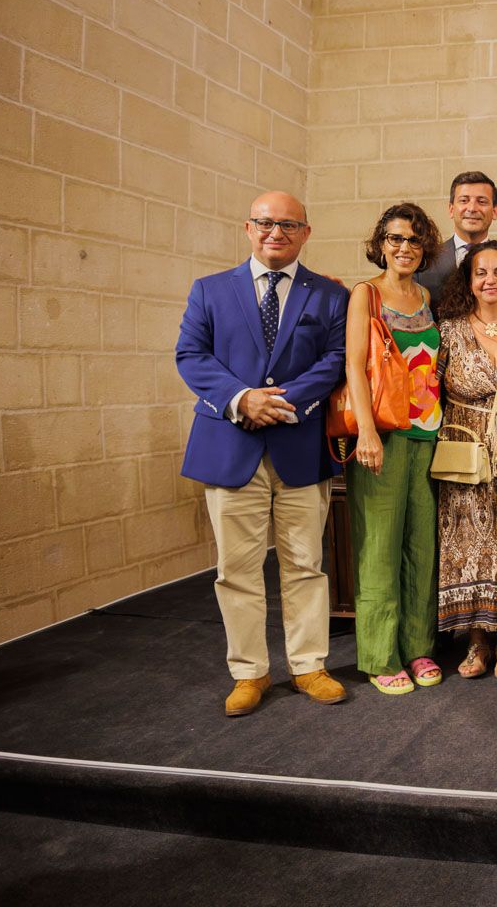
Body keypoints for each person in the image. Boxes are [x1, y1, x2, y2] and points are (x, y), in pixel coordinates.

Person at [175, 191, 348, 716]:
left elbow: (336, 358)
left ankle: (308, 665)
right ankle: (249, 673)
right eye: (266, 223)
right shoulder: (209, 290)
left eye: (289, 224)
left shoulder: (329, 295)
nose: (277, 232)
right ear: (248, 227)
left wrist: (279, 401)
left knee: (305, 564)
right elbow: (190, 355)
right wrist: (241, 399)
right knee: (237, 569)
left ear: (306, 233)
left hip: (298, 445)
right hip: (231, 446)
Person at [343, 203, 445, 695]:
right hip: (382, 437)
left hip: (427, 436)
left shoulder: (426, 295)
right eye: (396, 239)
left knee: (421, 548)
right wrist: (364, 431)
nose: (404, 248)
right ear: (381, 243)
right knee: (379, 547)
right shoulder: (366, 294)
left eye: (414, 241)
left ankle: (418, 645)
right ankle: (381, 654)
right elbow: (355, 366)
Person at [433, 240, 497, 679]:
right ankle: (475, 642)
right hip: (464, 453)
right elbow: (426, 393)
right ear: (469, 281)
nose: (490, 280)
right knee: (467, 545)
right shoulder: (449, 330)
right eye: (481, 273)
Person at [415, 171, 497, 302]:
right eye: (464, 200)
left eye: (481, 202)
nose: (472, 208)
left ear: (495, 211)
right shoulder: (425, 261)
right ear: (451, 209)